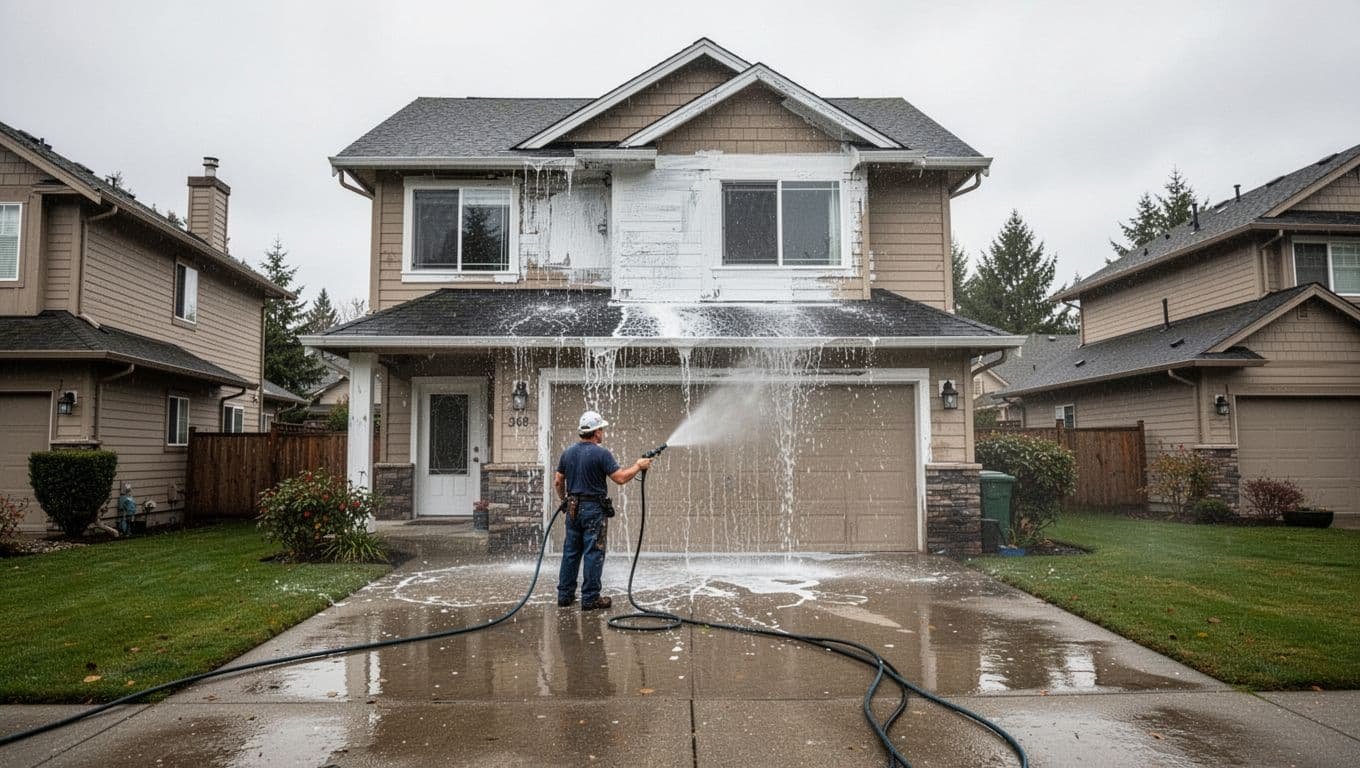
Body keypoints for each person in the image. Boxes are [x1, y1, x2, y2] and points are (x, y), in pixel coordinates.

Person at [555, 410, 652, 610]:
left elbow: (558, 480)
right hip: (593, 510)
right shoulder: (601, 453)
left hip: (572, 508)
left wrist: (564, 500)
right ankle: (590, 598)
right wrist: (638, 465)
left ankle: (565, 596)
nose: (603, 432)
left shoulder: (568, 452)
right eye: (601, 429)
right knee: (593, 552)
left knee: (571, 552)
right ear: (596, 432)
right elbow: (621, 478)